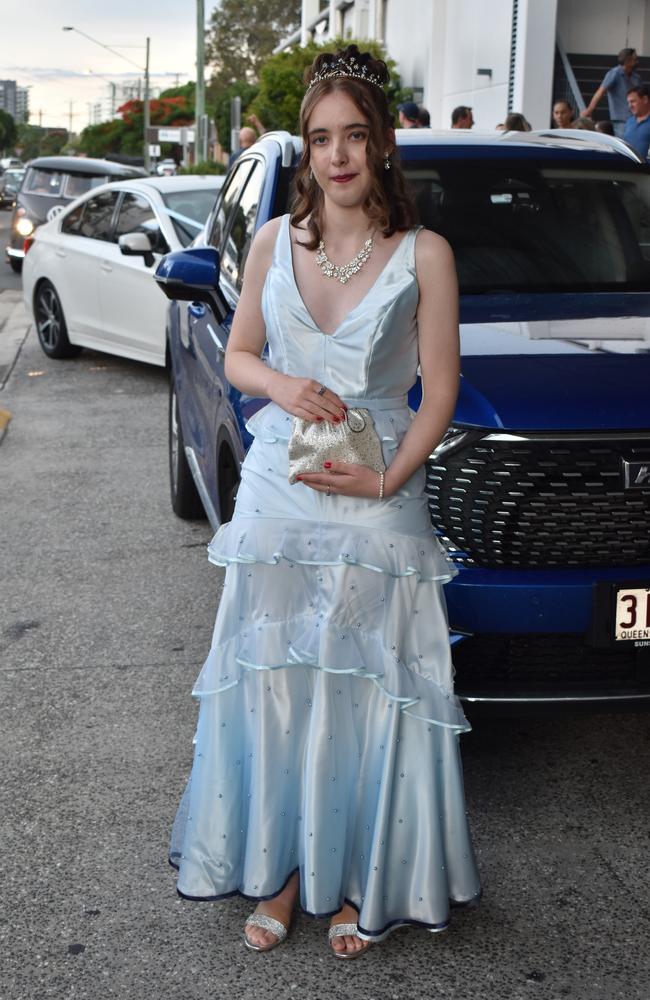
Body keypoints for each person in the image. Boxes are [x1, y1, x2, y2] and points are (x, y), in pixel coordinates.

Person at [169, 43, 481, 958]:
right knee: (276, 685)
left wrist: (387, 479)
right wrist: (284, 385)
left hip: (377, 488)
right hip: (281, 485)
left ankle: (358, 885)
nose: (337, 155)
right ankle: (283, 870)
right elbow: (236, 357)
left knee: (372, 689)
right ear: (306, 152)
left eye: (353, 136)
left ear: (382, 145)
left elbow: (442, 389)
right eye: (319, 139)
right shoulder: (276, 239)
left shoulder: (425, 253)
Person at [584, 47, 642, 137]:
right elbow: (601, 91)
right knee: (624, 145)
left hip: (637, 118)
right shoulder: (614, 73)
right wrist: (589, 110)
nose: (637, 60)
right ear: (627, 60)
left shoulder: (636, 77)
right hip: (621, 120)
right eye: (635, 58)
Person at [623, 84, 650, 159]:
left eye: (633, 101)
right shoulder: (629, 122)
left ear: (645, 99)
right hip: (629, 169)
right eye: (628, 102)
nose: (630, 105)